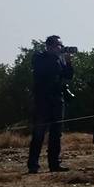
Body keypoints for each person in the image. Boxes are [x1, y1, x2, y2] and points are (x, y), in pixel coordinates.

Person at [27, 35, 73, 173]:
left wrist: (69, 62)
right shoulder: (39, 57)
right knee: (39, 133)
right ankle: (33, 165)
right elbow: (46, 71)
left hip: (57, 100)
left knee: (56, 134)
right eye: (58, 45)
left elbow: (68, 76)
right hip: (43, 100)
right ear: (49, 46)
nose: (61, 48)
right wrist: (57, 57)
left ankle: (54, 164)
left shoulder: (60, 59)